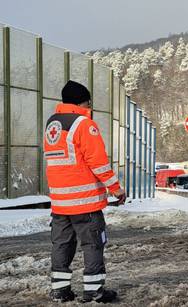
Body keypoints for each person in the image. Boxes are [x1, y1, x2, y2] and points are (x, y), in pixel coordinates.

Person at [44, 80, 126, 303]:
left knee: (61, 244)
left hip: (60, 202)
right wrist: (116, 189)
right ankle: (94, 291)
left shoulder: (53, 124)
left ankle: (60, 290)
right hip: (85, 202)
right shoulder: (83, 124)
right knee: (93, 244)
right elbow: (98, 162)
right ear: (84, 101)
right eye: (88, 101)